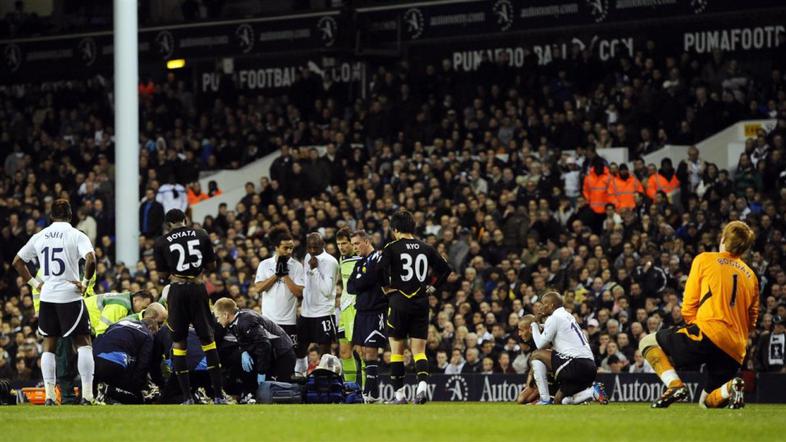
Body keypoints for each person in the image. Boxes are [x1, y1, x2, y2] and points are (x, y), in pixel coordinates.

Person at [640, 221, 758, 409]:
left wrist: (696, 327)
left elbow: (689, 303)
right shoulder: (751, 276)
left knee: (647, 342)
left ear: (724, 238)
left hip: (708, 331)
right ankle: (731, 387)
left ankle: (675, 386)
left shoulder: (705, 259)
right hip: (735, 348)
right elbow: (753, 319)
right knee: (706, 403)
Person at [12, 199, 97, 405]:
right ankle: (87, 395)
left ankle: (50, 396)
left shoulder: (39, 236)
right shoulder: (77, 235)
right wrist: (85, 282)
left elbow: (17, 262)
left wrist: (35, 283)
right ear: (70, 215)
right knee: (83, 343)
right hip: (70, 295)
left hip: (47, 296)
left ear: (51, 216)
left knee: (48, 345)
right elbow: (91, 259)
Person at [153, 208, 225, 404]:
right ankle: (218, 395)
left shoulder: (161, 242)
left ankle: (186, 398)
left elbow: (161, 275)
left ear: (168, 224)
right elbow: (212, 266)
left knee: (179, 343)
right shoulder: (201, 234)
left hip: (176, 291)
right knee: (208, 341)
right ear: (185, 219)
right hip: (197, 288)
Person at [378, 210, 451, 404]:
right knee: (419, 351)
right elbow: (446, 270)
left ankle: (399, 396)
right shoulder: (426, 247)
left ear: (395, 229)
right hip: (420, 302)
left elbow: (380, 271)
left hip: (399, 301)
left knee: (397, 351)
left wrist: (387, 289)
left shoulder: (391, 247)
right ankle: (422, 389)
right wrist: (433, 287)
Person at [529, 291, 608, 405]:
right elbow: (551, 329)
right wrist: (540, 326)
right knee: (559, 401)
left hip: (575, 364)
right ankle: (592, 392)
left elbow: (540, 344)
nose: (540, 307)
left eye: (543, 303)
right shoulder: (567, 315)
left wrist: (534, 325)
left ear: (551, 305)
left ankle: (544, 399)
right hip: (589, 366)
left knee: (536, 355)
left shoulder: (555, 317)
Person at [212, 298, 296, 397]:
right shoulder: (236, 322)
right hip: (275, 353)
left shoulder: (246, 321)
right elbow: (245, 341)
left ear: (226, 315)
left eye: (218, 317)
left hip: (283, 354)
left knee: (280, 393)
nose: (217, 320)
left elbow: (264, 345)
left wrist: (261, 372)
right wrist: (244, 351)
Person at [254, 226, 304, 375]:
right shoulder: (265, 264)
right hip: (268, 320)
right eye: (285, 248)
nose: (289, 251)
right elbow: (258, 288)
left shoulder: (297, 266)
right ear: (276, 247)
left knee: (288, 358)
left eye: (291, 248)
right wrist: (276, 275)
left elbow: (298, 293)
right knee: (268, 357)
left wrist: (285, 275)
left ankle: (287, 388)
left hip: (288, 321)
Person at [347, 230, 389, 403]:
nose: (354, 247)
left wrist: (361, 280)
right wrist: (361, 279)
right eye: (353, 244)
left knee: (371, 351)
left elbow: (367, 279)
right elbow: (350, 286)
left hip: (375, 311)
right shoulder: (361, 263)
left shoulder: (377, 258)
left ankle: (372, 393)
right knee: (362, 351)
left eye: (357, 243)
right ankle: (371, 393)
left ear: (366, 241)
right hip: (362, 312)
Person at [296, 233, 339, 376]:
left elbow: (327, 291)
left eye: (316, 247)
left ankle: (327, 378)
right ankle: (300, 375)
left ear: (323, 245)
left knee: (325, 351)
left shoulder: (330, 262)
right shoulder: (308, 257)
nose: (312, 251)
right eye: (309, 247)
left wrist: (315, 270)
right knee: (300, 347)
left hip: (324, 312)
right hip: (306, 312)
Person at [93, 318, 159, 404]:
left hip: (94, 359)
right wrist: (138, 387)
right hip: (115, 362)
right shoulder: (147, 334)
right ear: (150, 328)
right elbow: (142, 366)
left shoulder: (118, 323)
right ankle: (108, 390)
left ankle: (100, 393)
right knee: (137, 398)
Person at [335, 228, 362, 384]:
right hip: (345, 311)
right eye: (338, 244)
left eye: (344, 243)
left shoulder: (362, 259)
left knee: (362, 352)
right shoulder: (341, 258)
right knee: (344, 352)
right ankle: (351, 387)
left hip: (358, 310)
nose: (341, 247)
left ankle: (367, 392)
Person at [84, 290, 154, 336]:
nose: (143, 311)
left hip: (83, 319)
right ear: (136, 300)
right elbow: (102, 329)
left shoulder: (124, 301)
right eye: (143, 307)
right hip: (80, 319)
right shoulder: (121, 306)